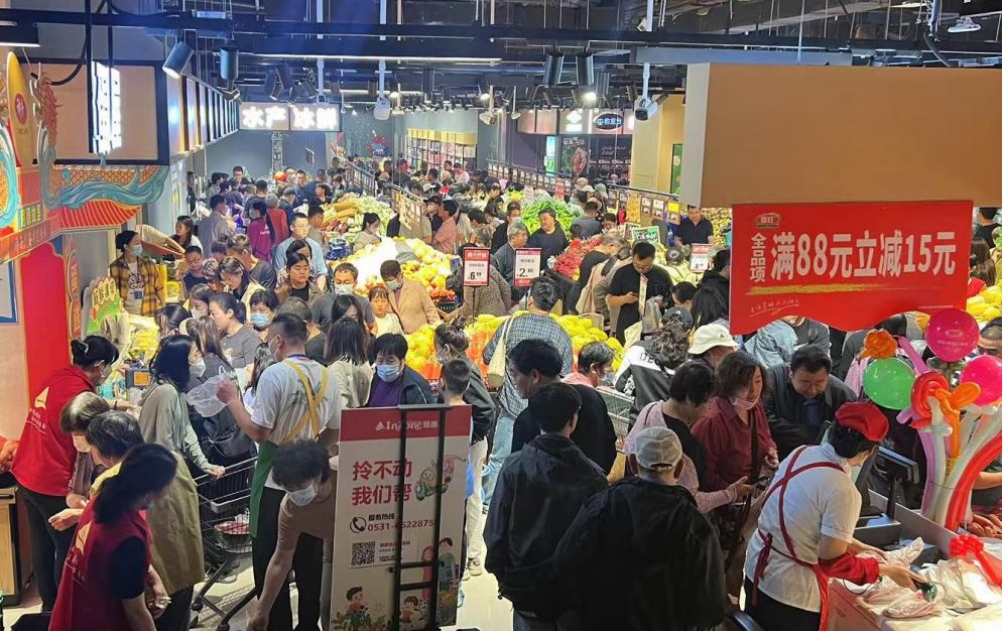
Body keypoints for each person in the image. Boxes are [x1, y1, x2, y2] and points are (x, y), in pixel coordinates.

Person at [745, 403, 926, 631]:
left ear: (831, 431)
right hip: (789, 595)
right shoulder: (844, 490)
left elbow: (800, 521)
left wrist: (857, 546)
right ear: (869, 452)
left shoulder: (801, 453)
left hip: (757, 571)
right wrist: (887, 570)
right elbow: (832, 563)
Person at [216, 313, 341, 632]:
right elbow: (335, 429)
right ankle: (308, 625)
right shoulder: (328, 376)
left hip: (275, 478)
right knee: (309, 559)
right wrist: (310, 453)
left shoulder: (275, 374)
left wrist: (233, 401)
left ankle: (276, 623)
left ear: (279, 340)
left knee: (271, 556)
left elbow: (259, 432)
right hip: (311, 479)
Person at [555, 426, 729, 631]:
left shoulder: (601, 506)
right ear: (680, 468)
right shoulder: (698, 528)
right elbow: (711, 611)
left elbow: (564, 565)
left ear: (633, 464)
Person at [486, 383, 609, 632]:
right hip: (571, 592)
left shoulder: (515, 466)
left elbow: (495, 531)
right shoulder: (594, 476)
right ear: (573, 420)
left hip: (524, 585)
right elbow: (599, 541)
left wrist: (504, 575)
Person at [12, 336, 120, 612]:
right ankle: (65, 610)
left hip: (27, 474)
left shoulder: (59, 377)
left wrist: (114, 405)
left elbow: (79, 408)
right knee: (67, 548)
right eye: (108, 366)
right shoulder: (79, 392)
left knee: (41, 546)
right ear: (99, 366)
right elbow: (89, 447)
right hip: (53, 482)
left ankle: (49, 609)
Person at [49, 444, 178, 632]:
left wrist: (155, 579)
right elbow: (136, 613)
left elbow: (118, 560)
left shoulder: (103, 500)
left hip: (71, 615)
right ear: (151, 493)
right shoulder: (128, 539)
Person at [482, 278, 574, 503]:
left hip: (511, 409)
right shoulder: (561, 334)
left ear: (530, 299)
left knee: (500, 459)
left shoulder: (511, 325)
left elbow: (488, 355)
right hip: (544, 416)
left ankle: (491, 503)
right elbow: (565, 372)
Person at [247, 441, 337, 632]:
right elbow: (281, 560)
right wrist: (262, 611)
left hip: (366, 539)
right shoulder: (290, 510)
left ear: (318, 474)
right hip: (333, 548)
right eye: (289, 488)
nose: (295, 494)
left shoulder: (348, 474)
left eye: (299, 486)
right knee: (330, 608)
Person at [434, 325, 497, 577]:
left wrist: (471, 435)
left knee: (471, 498)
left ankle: (471, 555)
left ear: (446, 348)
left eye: (436, 347)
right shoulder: (459, 366)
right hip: (466, 440)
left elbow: (487, 409)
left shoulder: (462, 370)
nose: (435, 352)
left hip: (469, 443)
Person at [510, 340, 618, 474]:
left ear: (534, 376)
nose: (513, 381)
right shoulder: (591, 397)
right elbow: (609, 447)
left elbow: (517, 474)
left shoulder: (527, 419)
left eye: (514, 374)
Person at [140, 335, 223, 475]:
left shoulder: (176, 389)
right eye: (195, 354)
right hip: (157, 473)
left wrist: (203, 463)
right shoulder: (166, 392)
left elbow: (185, 429)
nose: (200, 358)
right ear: (180, 362)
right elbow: (163, 442)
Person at [765, 346, 857, 460]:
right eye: (805, 382)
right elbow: (764, 420)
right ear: (791, 373)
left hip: (821, 458)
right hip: (776, 454)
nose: (811, 390)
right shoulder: (771, 380)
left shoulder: (843, 395)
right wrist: (806, 434)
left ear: (827, 376)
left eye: (819, 382)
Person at [613, 321, 691, 421]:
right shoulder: (689, 366)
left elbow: (619, 384)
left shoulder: (637, 350)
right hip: (670, 425)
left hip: (639, 421)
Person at [607, 241, 673, 343]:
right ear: (632, 256)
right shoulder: (622, 273)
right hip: (628, 327)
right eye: (637, 265)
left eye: (646, 266)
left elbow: (671, 300)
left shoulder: (662, 274)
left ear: (653, 259)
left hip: (654, 328)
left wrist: (662, 304)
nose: (641, 269)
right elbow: (610, 300)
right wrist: (625, 299)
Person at [367, 334, 434, 406]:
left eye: (390, 361)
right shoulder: (377, 378)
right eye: (380, 361)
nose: (384, 365)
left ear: (402, 361)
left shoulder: (415, 386)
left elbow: (425, 412)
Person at [111, 230, 165, 317]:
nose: (140, 245)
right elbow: (113, 294)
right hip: (127, 314)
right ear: (126, 247)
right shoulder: (115, 267)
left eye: (140, 242)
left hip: (149, 310)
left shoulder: (148, 263)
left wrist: (163, 306)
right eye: (136, 243)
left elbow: (159, 286)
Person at [452, 245, 512, 320]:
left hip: (486, 321)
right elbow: (506, 288)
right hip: (502, 316)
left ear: (462, 260)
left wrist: (451, 316)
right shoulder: (490, 268)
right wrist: (505, 309)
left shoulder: (470, 278)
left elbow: (469, 308)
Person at [326, 319, 375, 410]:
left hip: (347, 417)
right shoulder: (365, 365)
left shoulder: (336, 368)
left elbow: (341, 406)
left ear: (333, 341)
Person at [381, 260, 440, 334]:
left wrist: (437, 331)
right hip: (404, 337)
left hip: (422, 335)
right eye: (385, 281)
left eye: (390, 280)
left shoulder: (417, 287)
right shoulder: (388, 293)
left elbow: (431, 311)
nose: (388, 283)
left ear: (399, 275)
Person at [273, 213, 329, 291]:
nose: (305, 229)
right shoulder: (282, 247)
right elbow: (279, 273)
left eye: (307, 226)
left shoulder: (315, 245)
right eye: (301, 226)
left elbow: (321, 271)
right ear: (292, 227)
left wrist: (318, 291)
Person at [210, 293, 261, 371]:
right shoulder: (218, 336)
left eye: (213, 314)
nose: (211, 318)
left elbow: (252, 372)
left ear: (229, 313)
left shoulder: (250, 338)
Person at [494, 221, 530, 296]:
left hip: (527, 291)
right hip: (510, 294)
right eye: (523, 235)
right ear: (513, 238)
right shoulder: (501, 254)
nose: (526, 238)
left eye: (526, 235)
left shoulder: (527, 250)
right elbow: (498, 279)